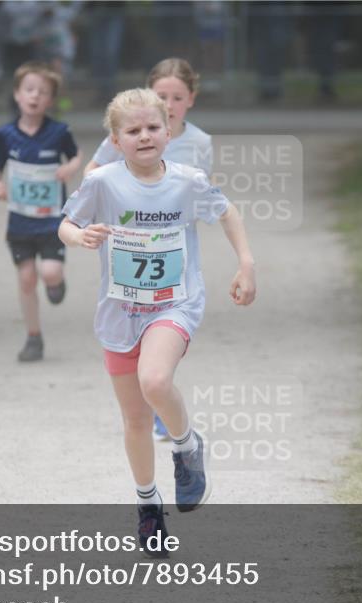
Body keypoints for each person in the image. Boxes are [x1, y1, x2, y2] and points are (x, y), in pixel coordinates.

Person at [59, 88, 256, 557]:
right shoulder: (103, 182)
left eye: (153, 127)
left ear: (168, 131)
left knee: (155, 379)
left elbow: (227, 212)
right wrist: (79, 236)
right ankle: (149, 507)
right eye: (133, 131)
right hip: (119, 310)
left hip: (174, 304)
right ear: (116, 139)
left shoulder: (187, 181)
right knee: (134, 419)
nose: (144, 136)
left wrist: (246, 263)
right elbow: (64, 223)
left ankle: (187, 445)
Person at [84, 57, 212, 440]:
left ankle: (161, 403)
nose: (169, 104)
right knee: (134, 327)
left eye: (177, 97)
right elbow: (92, 175)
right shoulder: (127, 133)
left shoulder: (200, 142)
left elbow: (207, 196)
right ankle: (156, 406)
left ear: (190, 99)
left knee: (162, 344)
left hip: (171, 251)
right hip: (128, 246)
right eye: (161, 96)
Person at [0, 62, 80, 362]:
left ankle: (56, 281)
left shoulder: (59, 132)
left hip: (52, 219)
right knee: (26, 279)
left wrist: (69, 168)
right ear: (17, 94)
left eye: (43, 92)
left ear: (51, 100)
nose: (35, 96)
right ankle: (33, 336)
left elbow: (76, 155)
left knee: (48, 271)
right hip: (20, 221)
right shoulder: (5, 134)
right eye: (29, 90)